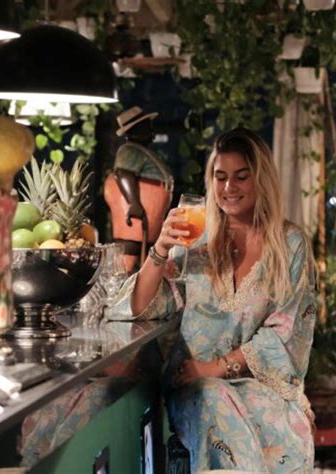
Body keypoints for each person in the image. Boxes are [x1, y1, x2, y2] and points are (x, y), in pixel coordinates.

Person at [113, 127, 316, 473]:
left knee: (282, 431)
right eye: (220, 177)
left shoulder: (290, 244)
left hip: (261, 384)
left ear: (262, 179)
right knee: (213, 398)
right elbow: (141, 307)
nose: (228, 187)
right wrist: (160, 249)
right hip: (193, 383)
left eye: (241, 177)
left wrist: (216, 368)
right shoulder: (196, 238)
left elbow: (285, 332)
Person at [104, 106, 174, 273]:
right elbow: (123, 173)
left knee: (142, 253)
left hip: (148, 215)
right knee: (130, 250)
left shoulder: (140, 151)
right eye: (146, 127)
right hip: (136, 214)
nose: (151, 131)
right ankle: (122, 282)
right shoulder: (129, 151)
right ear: (135, 130)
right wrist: (134, 203)